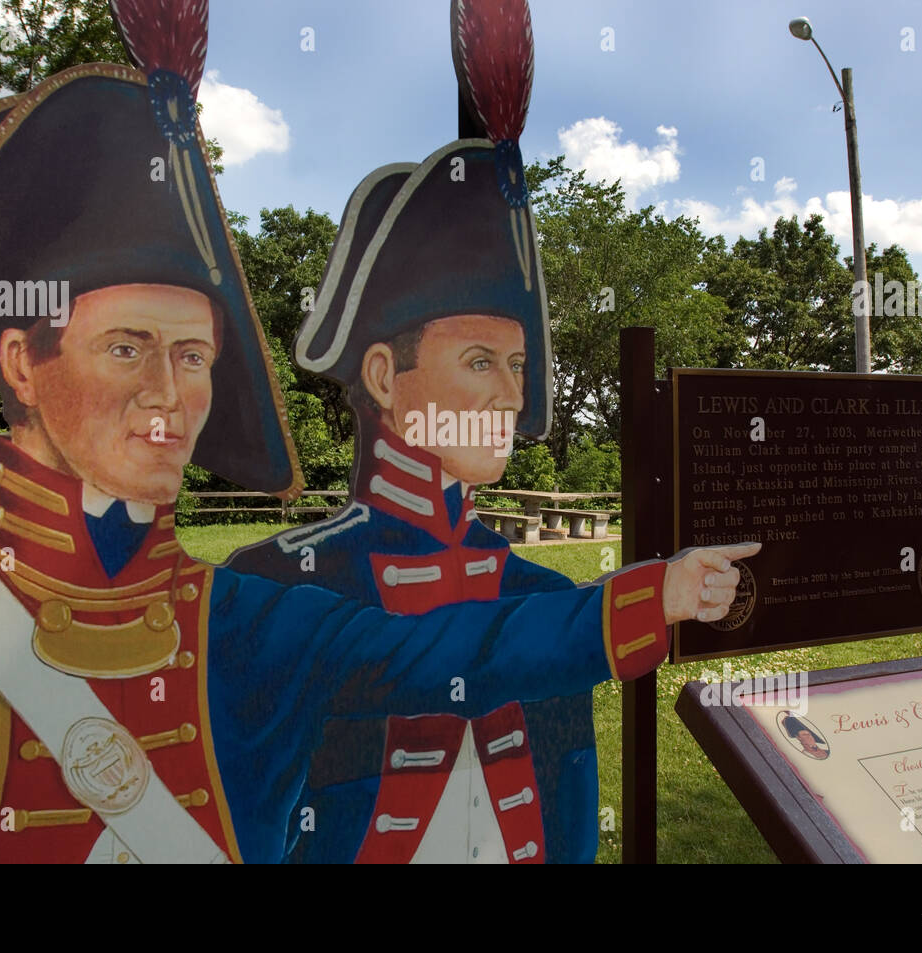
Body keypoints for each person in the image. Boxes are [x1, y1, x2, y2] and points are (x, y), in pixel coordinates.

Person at [0, 0, 757, 864]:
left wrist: (662, 591)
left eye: (192, 356)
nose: (171, 395)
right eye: (128, 346)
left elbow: (462, 654)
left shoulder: (247, 621)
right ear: (21, 361)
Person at [228, 3, 603, 863]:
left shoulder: (547, 601)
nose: (511, 393)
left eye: (517, 364)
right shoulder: (280, 584)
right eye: (479, 359)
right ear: (383, 379)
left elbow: (571, 832)